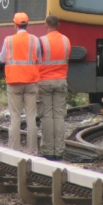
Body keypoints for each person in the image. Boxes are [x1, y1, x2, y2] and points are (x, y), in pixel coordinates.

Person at [0, 12, 41, 155]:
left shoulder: (8, 40)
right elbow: (39, 58)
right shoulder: (35, 40)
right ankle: (32, 150)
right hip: (31, 81)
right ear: (27, 24)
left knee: (15, 117)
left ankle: (14, 149)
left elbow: (2, 58)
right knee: (31, 117)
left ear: (15, 24)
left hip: (14, 81)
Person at [38, 15, 71, 160]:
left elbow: (37, 59)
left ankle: (48, 150)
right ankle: (59, 150)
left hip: (45, 81)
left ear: (46, 25)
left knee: (47, 116)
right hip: (61, 81)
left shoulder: (42, 41)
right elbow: (67, 57)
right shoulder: (66, 40)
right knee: (59, 115)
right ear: (58, 25)